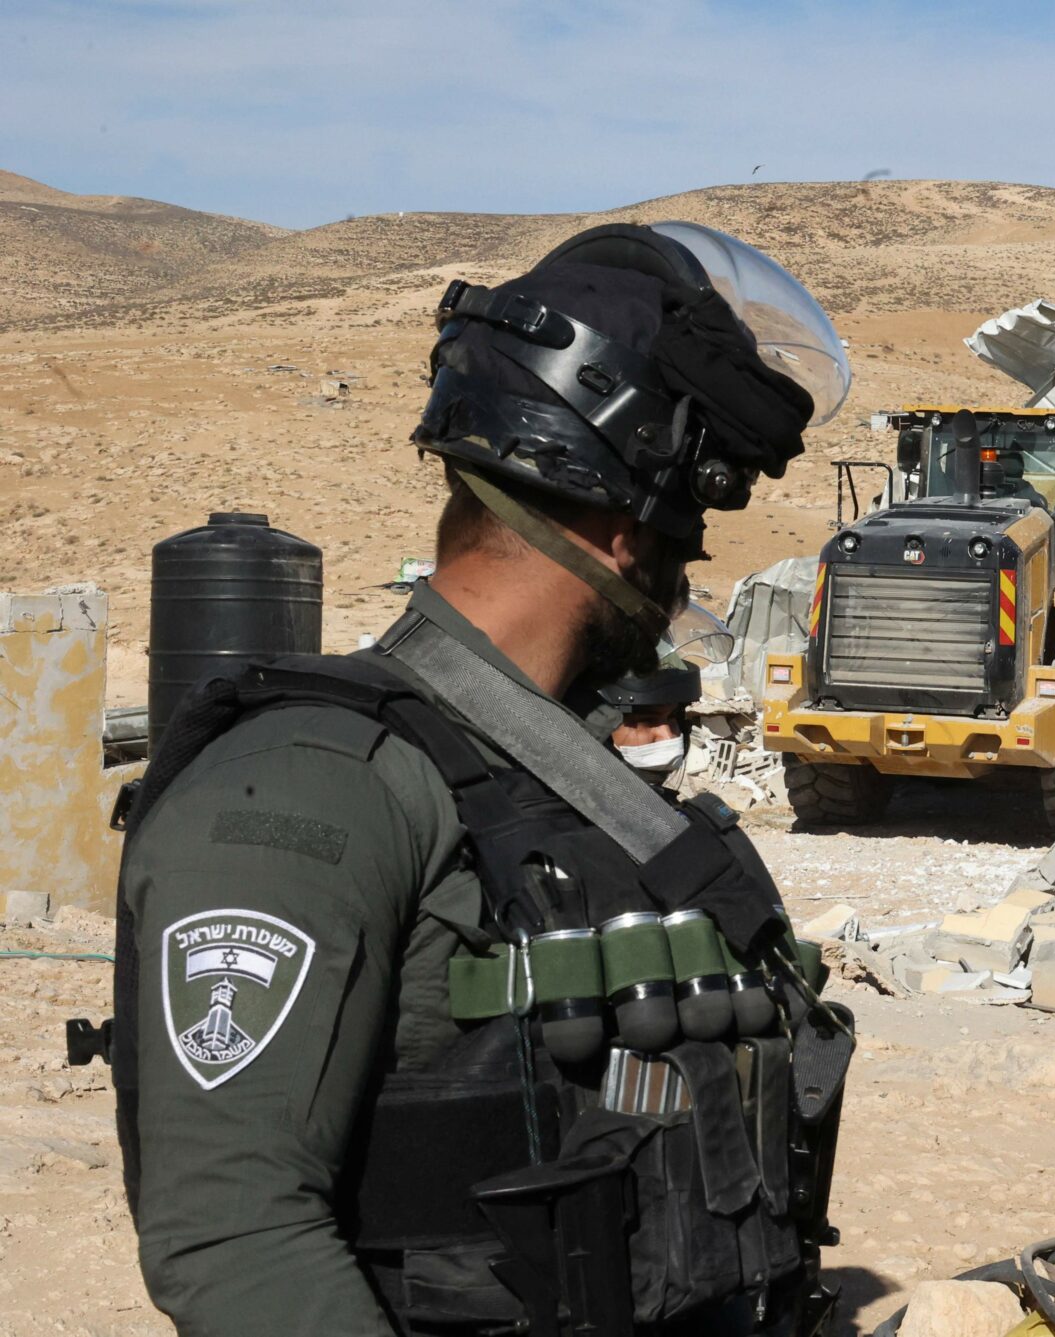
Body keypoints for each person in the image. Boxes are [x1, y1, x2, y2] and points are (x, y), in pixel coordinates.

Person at [113, 222, 853, 1334]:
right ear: (618, 531)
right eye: (684, 535)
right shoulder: (311, 785)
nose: (683, 571)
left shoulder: (566, 779)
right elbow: (233, 1233)